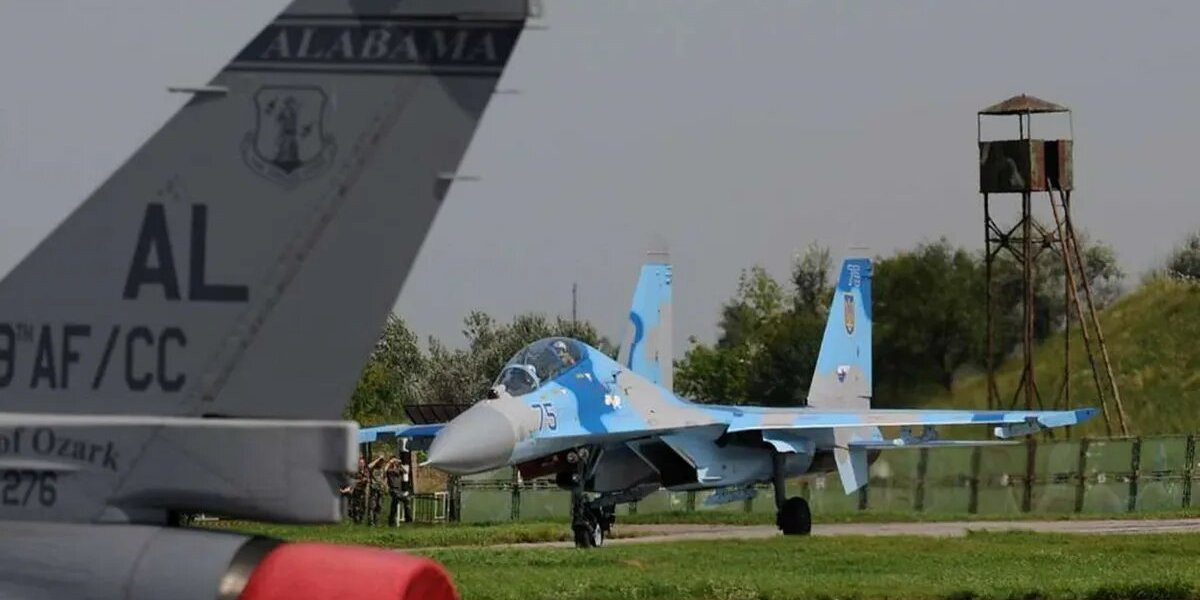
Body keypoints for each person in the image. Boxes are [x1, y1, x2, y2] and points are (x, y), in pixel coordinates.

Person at [385, 454, 413, 526]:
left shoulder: (399, 469)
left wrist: (400, 464)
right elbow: (385, 469)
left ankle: (391, 521)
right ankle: (408, 519)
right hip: (393, 489)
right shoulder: (389, 470)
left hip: (399, 490)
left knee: (394, 506)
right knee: (406, 499)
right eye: (394, 461)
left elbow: (406, 471)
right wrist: (390, 462)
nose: (395, 463)